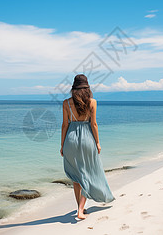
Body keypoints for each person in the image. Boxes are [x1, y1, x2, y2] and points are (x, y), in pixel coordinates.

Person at [60, 74, 115, 220]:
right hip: (87, 140)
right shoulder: (92, 102)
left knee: (76, 176)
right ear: (87, 88)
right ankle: (80, 209)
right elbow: (94, 124)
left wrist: (62, 145)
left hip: (70, 140)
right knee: (88, 174)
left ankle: (80, 207)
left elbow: (65, 125)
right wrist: (97, 142)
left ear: (73, 88)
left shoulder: (66, 103)